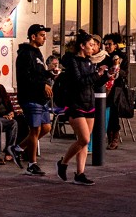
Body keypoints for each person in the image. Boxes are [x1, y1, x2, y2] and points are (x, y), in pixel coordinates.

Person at [55, 31, 110, 186]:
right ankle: (63, 163)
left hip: (89, 104)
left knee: (84, 142)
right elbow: (79, 81)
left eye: (94, 45)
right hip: (75, 104)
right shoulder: (73, 61)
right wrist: (97, 73)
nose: (93, 48)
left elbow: (94, 83)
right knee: (84, 138)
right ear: (82, 45)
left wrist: (106, 76)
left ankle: (80, 173)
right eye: (90, 45)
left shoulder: (90, 62)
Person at [14, 23, 53, 176]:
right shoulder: (25, 53)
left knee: (46, 128)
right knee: (35, 130)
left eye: (45, 35)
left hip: (40, 98)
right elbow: (26, 77)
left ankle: (17, 148)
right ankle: (32, 164)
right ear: (33, 36)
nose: (45, 38)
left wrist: (50, 74)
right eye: (42, 35)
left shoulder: (38, 53)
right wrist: (42, 84)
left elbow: (39, 73)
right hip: (30, 96)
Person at [101, 33, 130, 150]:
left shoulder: (122, 57)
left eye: (109, 44)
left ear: (116, 45)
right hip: (106, 87)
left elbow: (125, 73)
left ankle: (114, 138)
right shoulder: (105, 57)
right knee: (106, 111)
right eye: (105, 44)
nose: (107, 46)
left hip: (117, 88)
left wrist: (116, 71)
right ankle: (109, 136)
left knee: (113, 111)